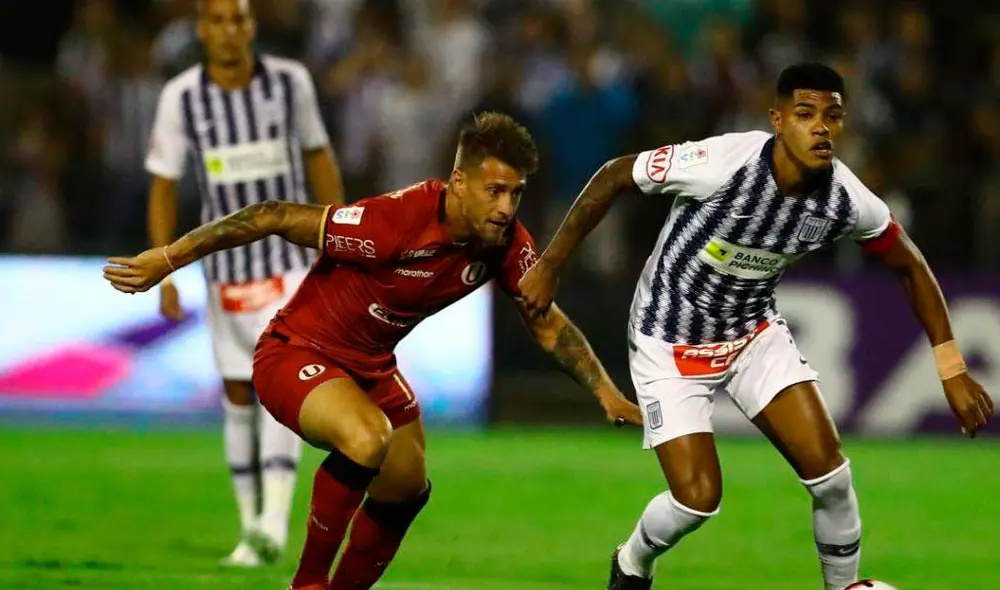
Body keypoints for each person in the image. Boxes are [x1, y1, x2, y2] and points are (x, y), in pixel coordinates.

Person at [106, 111, 643, 590]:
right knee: (367, 440)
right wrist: (170, 258)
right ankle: (309, 583)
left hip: (371, 368)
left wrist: (605, 392)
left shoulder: (505, 244)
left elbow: (545, 324)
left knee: (408, 486)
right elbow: (272, 215)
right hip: (294, 353)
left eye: (516, 193)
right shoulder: (394, 223)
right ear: (459, 182)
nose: (506, 208)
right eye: (495, 190)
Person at [517, 62, 994, 590]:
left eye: (833, 117)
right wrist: (550, 265)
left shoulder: (846, 199)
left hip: (751, 334)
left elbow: (910, 265)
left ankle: (845, 586)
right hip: (668, 337)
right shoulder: (720, 163)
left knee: (831, 474)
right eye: (805, 114)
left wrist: (950, 367)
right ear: (777, 119)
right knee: (697, 500)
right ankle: (632, 562)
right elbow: (612, 176)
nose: (821, 127)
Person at [144, 0, 345, 567]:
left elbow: (319, 158)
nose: (231, 30)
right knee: (237, 394)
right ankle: (249, 527)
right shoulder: (181, 96)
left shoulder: (290, 83)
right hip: (225, 273)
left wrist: (339, 235)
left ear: (252, 26)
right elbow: (163, 184)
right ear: (203, 30)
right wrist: (164, 267)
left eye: (240, 19)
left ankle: (274, 524)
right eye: (220, 20)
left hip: (289, 266)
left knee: (281, 388)